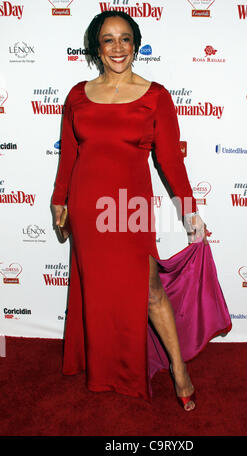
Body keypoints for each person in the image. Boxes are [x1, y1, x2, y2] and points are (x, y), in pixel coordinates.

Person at [51, 11, 209, 412]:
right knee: (97, 290)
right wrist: (59, 201)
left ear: (136, 45)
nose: (117, 47)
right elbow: (69, 155)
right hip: (88, 206)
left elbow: (171, 161)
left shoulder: (155, 95)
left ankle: (179, 371)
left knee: (151, 289)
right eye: (108, 39)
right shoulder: (77, 95)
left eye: (125, 39)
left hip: (129, 207)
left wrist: (189, 209)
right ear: (96, 47)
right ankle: (104, 370)